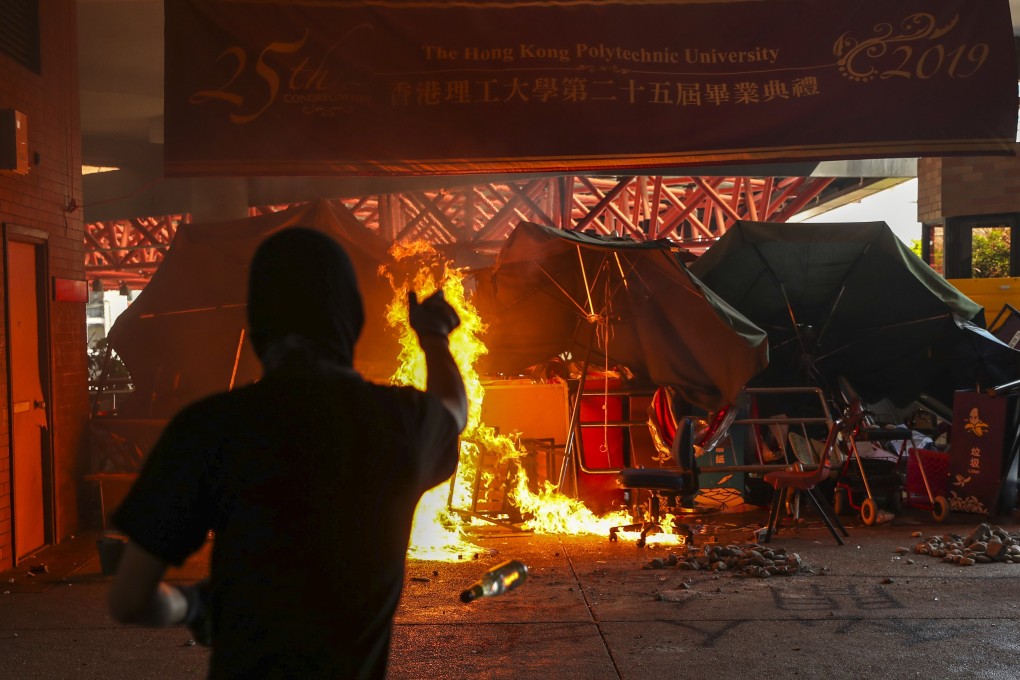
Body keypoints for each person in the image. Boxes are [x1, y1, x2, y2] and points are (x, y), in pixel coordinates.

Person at [107, 227, 467, 679]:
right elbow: (453, 408)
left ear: (259, 322)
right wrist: (433, 337)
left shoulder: (209, 428)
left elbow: (129, 600)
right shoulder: (399, 424)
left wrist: (195, 604)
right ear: (351, 319)